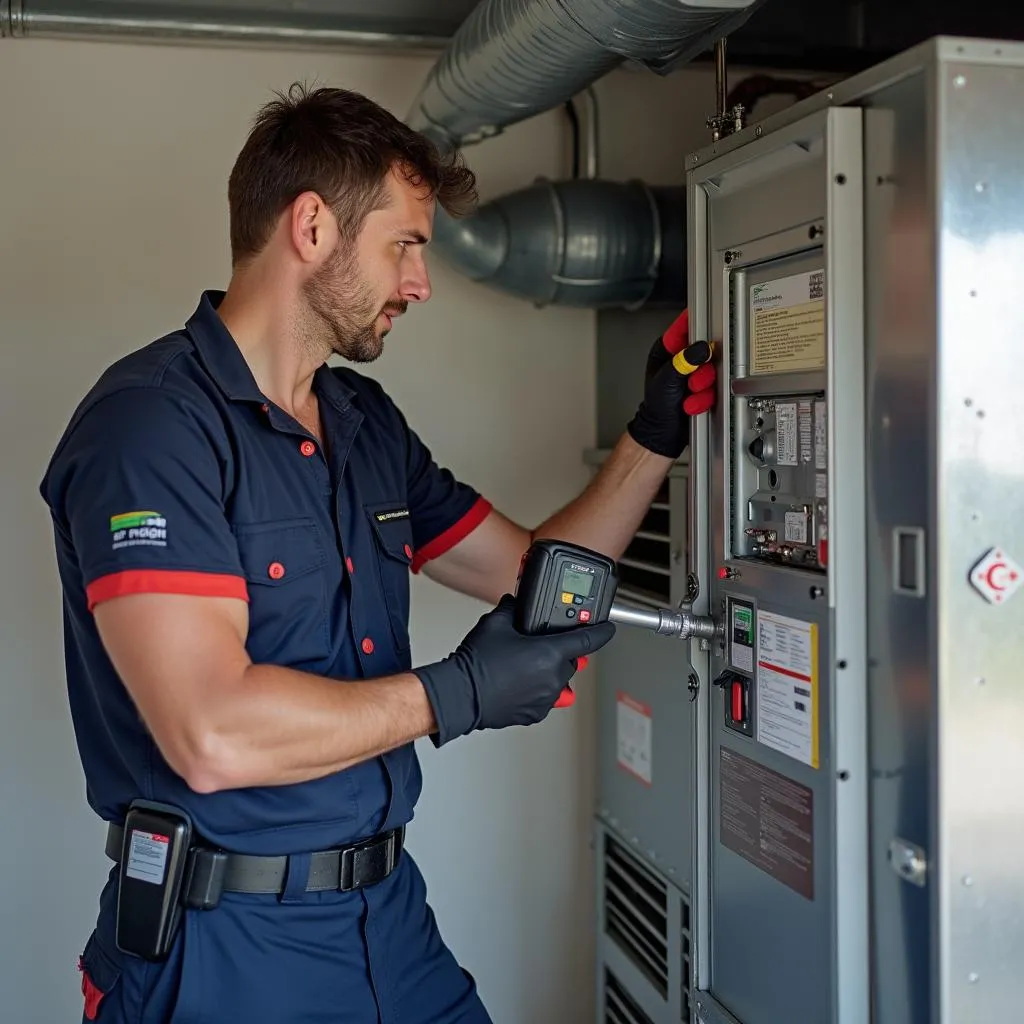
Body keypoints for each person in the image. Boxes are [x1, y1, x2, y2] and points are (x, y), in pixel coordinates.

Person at [39, 84, 716, 1024]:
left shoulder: (362, 424)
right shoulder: (151, 428)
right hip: (223, 947)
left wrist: (651, 436)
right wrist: (459, 694)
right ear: (312, 227)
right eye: (404, 245)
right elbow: (211, 731)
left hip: (388, 921)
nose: (420, 283)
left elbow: (541, 578)